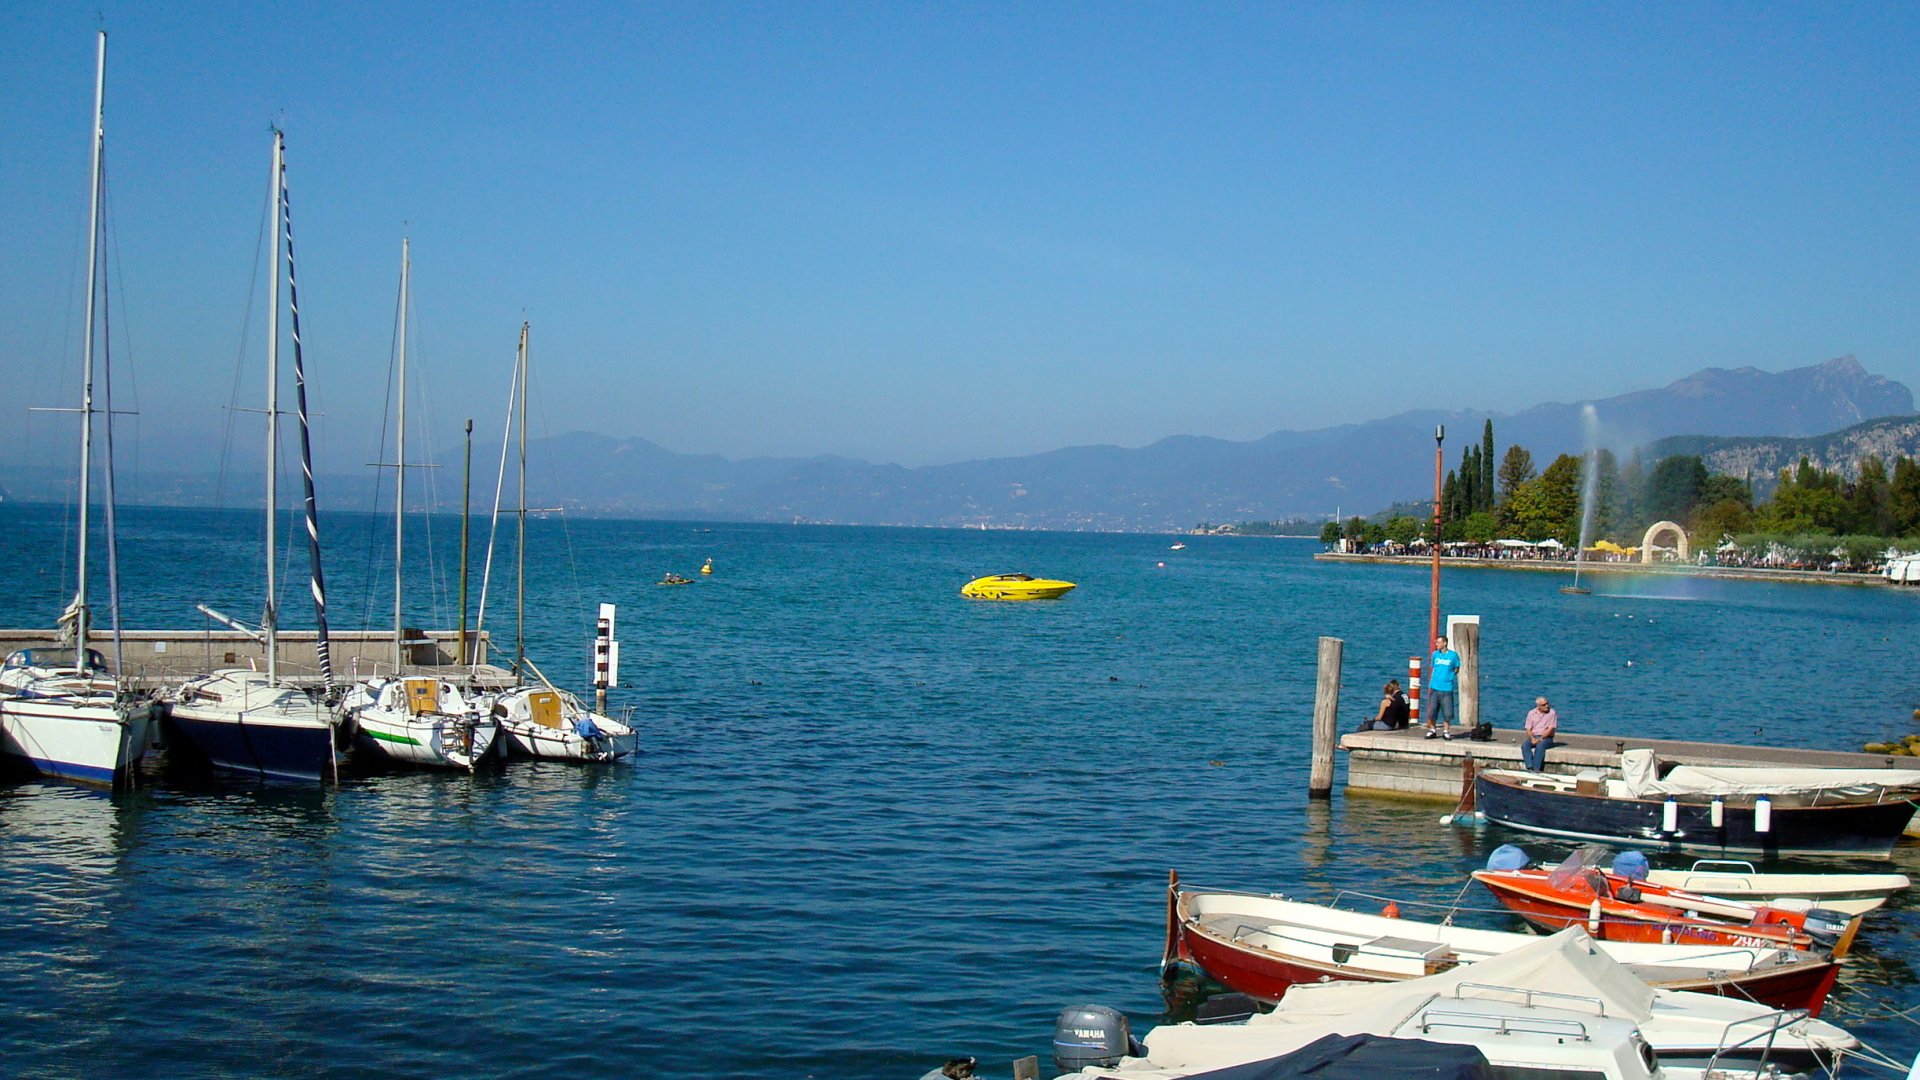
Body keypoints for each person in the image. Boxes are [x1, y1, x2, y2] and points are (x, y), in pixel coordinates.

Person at [1424, 635, 1460, 739]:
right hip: (1435, 687)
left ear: (1444, 643)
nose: (1437, 644)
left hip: (1447, 688)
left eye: (1439, 642)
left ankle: (1446, 731)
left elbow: (1457, 667)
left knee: (1447, 712)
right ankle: (1432, 729)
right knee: (1432, 711)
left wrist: (1451, 675)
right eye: (1436, 642)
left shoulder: (1453, 655)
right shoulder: (1435, 655)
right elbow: (1434, 667)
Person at [1521, 695, 1559, 771]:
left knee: (1540, 746)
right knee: (1525, 745)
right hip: (1534, 735)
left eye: (1547, 703)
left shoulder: (1552, 713)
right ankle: (1529, 766)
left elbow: (1550, 729)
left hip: (1547, 738)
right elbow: (1528, 728)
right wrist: (1532, 738)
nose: (1547, 706)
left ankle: (1536, 769)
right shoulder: (1531, 713)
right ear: (1538, 706)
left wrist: (1539, 739)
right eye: (1544, 705)